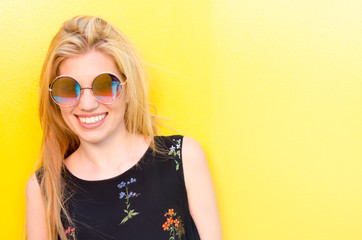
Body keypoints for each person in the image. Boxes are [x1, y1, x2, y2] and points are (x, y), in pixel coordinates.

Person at [25, 15, 221, 240]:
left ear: (128, 89)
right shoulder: (44, 189)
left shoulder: (183, 158)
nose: (87, 105)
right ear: (53, 98)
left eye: (104, 85)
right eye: (68, 88)